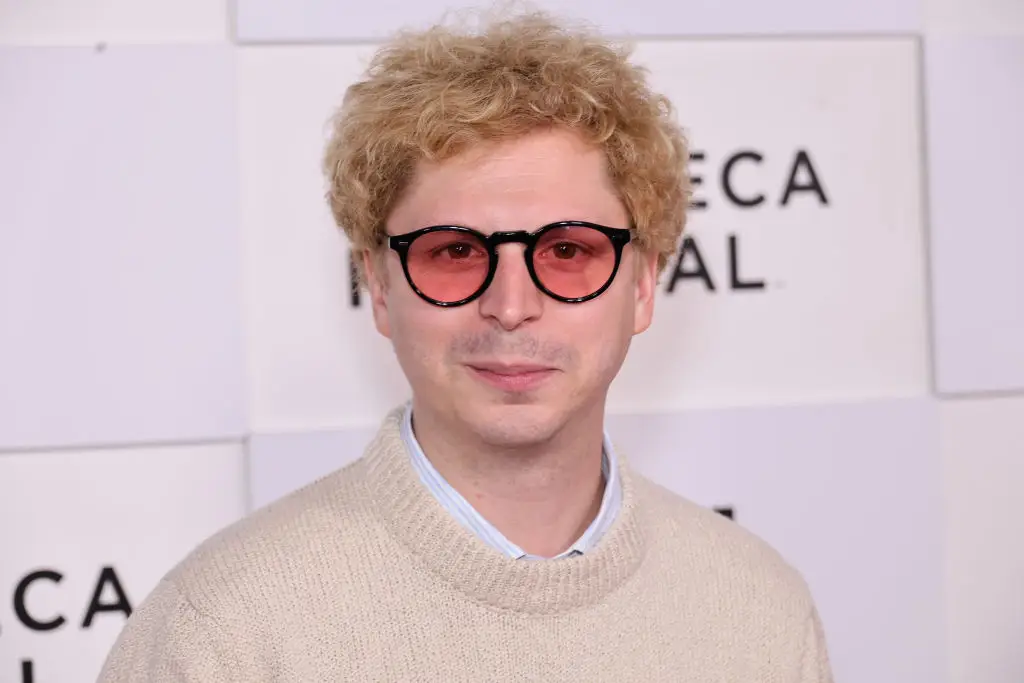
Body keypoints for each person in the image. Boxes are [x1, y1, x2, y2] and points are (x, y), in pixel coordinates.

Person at [98, 10, 833, 682]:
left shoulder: (759, 611)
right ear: (380, 289)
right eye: (453, 252)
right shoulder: (224, 635)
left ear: (641, 287)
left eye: (567, 251)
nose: (511, 306)